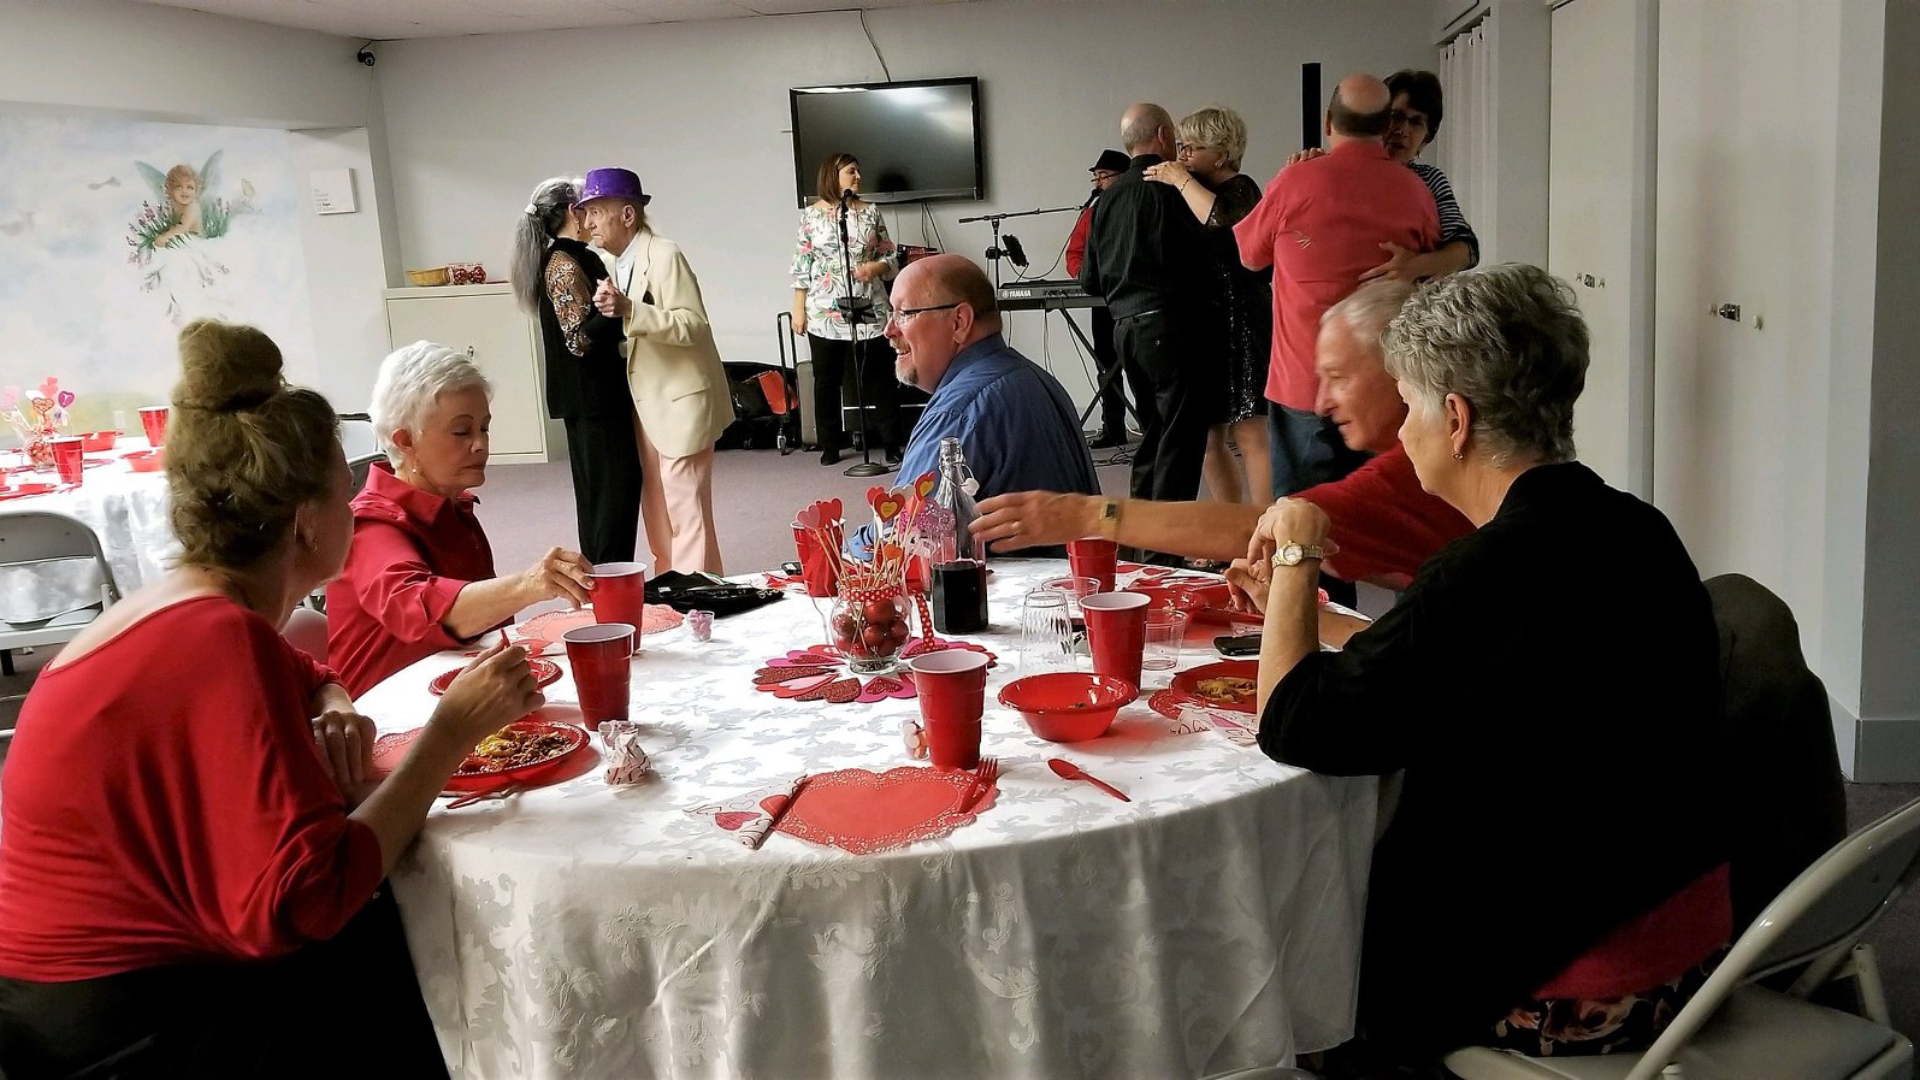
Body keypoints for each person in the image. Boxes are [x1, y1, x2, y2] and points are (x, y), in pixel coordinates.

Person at [0, 321, 542, 1078]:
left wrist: (331, 698)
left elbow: (301, 668)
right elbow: (305, 902)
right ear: (306, 521)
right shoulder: (219, 641)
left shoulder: (189, 606)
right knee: (388, 940)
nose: (355, 509)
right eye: (340, 492)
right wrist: (450, 733)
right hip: (115, 1022)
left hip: (58, 995)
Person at [1238, 265, 1730, 1071]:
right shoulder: (1636, 528)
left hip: (1581, 979)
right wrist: (1304, 620)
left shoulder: (1484, 571)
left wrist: (1297, 545)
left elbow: (1294, 725)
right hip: (1690, 923)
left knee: (1306, 955)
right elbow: (1480, 663)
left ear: (1455, 418)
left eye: (1410, 406)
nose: (1402, 435)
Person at [972, 281, 1470, 593]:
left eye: (1339, 377)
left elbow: (1262, 528)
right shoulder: (1448, 451)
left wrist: (1087, 514)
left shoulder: (1409, 469)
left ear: (1403, 373)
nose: (1320, 404)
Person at [326, 341, 595, 696]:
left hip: (450, 702)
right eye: (461, 432)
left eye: (483, 428)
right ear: (405, 440)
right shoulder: (372, 526)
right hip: (388, 719)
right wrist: (529, 584)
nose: (481, 444)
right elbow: (417, 607)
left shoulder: (453, 506)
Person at [1235, 74, 1439, 504]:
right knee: (1376, 516)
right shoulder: (1416, 191)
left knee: (1302, 522)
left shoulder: (1295, 183)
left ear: (1329, 122)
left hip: (1302, 381)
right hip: (1382, 385)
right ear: (1386, 128)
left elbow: (1250, 256)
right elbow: (1432, 267)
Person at [583, 166, 731, 574]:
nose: (589, 221)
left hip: (682, 400)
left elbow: (694, 325)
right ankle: (673, 593)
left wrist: (631, 310)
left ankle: (700, 600)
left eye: (596, 210)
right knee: (659, 514)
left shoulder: (665, 254)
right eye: (586, 212)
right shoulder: (613, 265)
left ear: (628, 214)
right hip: (646, 403)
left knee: (687, 512)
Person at [1077, 102, 1217, 503]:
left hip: (1125, 331)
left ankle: (1139, 540)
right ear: (1163, 136)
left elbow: (1089, 280)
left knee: (1152, 437)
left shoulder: (1105, 200)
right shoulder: (1175, 188)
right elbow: (1208, 256)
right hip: (1171, 329)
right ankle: (1163, 554)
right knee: (1179, 443)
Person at [887, 254, 1098, 500]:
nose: (889, 330)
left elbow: (902, 530)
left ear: (959, 322)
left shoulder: (958, 413)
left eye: (903, 313)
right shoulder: (1032, 377)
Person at [510, 175, 643, 565]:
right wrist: (618, 307)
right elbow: (578, 339)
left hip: (594, 396)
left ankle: (609, 579)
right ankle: (609, 580)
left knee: (604, 496)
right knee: (609, 497)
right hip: (592, 399)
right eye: (592, 208)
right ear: (574, 212)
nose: (596, 217)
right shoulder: (563, 263)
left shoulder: (575, 257)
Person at [1145, 106, 1272, 505]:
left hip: (1244, 320)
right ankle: (1230, 524)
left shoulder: (1243, 188)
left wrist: (1180, 179)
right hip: (1206, 324)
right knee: (1207, 435)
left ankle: (1263, 526)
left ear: (1221, 154)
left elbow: (1221, 221)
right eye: (1180, 147)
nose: (1181, 156)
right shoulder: (1191, 189)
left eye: (1191, 148)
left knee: (1249, 431)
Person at [1287, 69, 1481, 284]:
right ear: (1375, 121)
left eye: (1416, 122)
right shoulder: (1326, 172)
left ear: (1427, 137)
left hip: (1407, 309)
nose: (1402, 130)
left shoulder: (1428, 180)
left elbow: (1467, 250)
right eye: (1395, 117)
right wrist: (1296, 178)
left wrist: (1414, 267)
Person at [790, 152, 905, 466]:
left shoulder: (870, 212)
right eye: (852, 171)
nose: (858, 177)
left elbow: (892, 259)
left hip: (869, 304)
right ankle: (830, 445)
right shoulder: (811, 215)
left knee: (881, 377)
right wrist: (798, 308)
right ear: (834, 175)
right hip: (824, 309)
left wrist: (875, 267)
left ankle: (892, 442)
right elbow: (803, 263)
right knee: (826, 380)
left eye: (858, 171)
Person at [1064, 148, 1141, 449]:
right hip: (1102, 301)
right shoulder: (1091, 213)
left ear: (1123, 177)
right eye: (1096, 177)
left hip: (1135, 300)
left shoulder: (1136, 206)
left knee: (1140, 365)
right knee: (1106, 365)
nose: (1098, 183)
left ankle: (1151, 427)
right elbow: (1074, 253)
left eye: (1104, 176)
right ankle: (1114, 428)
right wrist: (1084, 275)